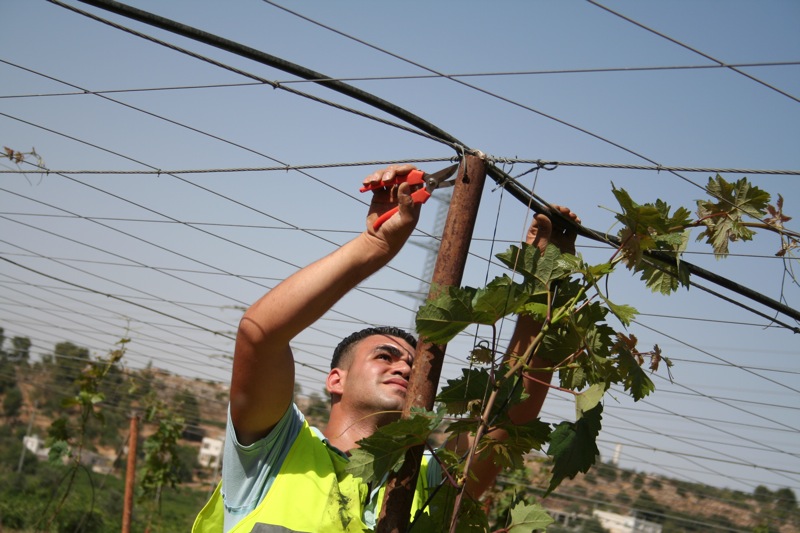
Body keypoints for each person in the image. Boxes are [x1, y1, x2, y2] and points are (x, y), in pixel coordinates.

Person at [193, 164, 580, 533]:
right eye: (384, 355)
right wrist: (375, 244)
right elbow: (260, 334)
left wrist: (544, 282)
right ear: (335, 380)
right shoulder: (275, 452)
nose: (405, 367)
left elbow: (508, 418)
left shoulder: (424, 481)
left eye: (413, 364)